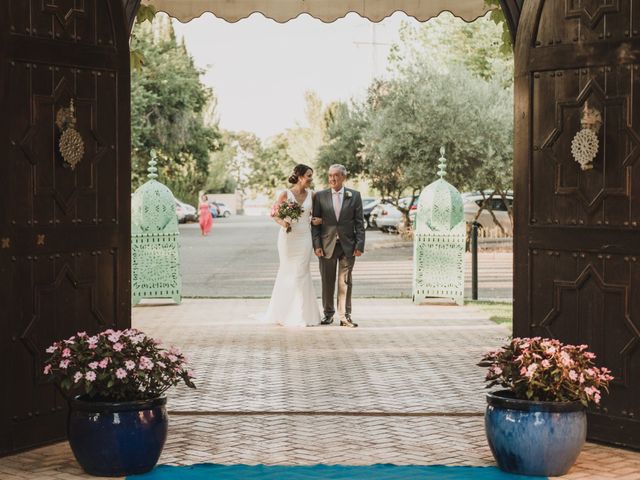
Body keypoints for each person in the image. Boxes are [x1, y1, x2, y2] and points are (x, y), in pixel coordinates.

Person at [262, 165, 323, 327]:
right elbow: (273, 213)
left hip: (304, 238)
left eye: (312, 175)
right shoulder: (285, 194)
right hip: (288, 239)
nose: (311, 178)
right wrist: (284, 223)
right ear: (300, 176)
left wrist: (317, 221)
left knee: (302, 272)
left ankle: (302, 314)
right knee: (287, 272)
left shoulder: (313, 195)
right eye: (309, 175)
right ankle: (283, 312)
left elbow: (316, 216)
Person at [312, 164, 365, 328]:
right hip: (326, 245)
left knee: (345, 282)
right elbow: (315, 224)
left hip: (348, 246)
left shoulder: (354, 196)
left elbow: (359, 223)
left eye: (336, 175)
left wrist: (360, 245)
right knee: (327, 281)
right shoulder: (320, 196)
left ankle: (345, 316)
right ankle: (328, 314)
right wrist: (317, 245)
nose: (332, 178)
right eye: (330, 175)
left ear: (343, 177)